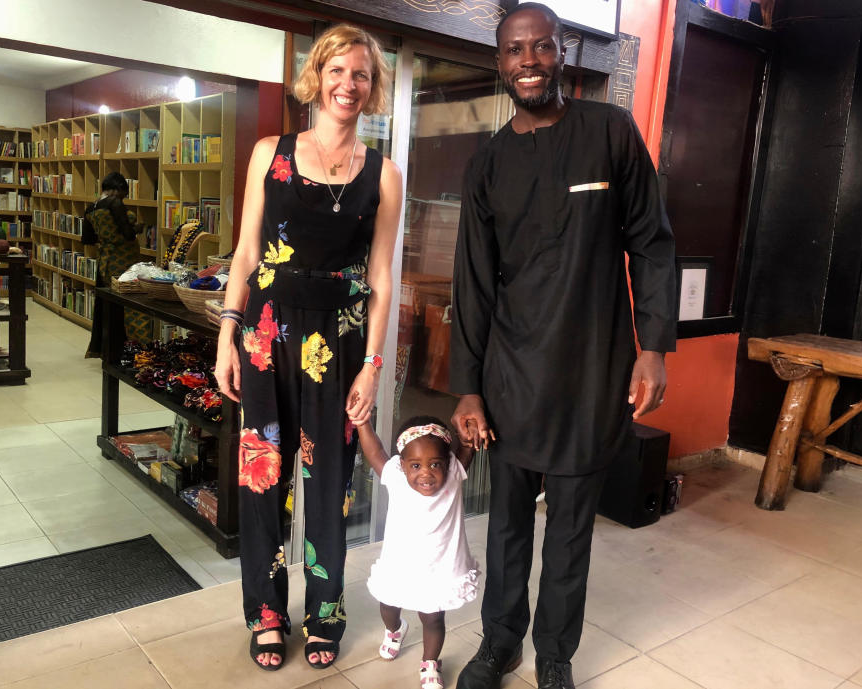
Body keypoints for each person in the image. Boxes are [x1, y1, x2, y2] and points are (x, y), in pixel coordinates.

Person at [449, 4, 677, 689]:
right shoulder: (487, 163)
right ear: (500, 61)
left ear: (562, 51)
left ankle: (555, 654)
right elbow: (473, 283)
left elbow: (654, 242)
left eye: (541, 47)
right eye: (515, 50)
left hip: (591, 370)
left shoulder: (609, 132)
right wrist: (467, 385)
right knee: (509, 526)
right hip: (511, 374)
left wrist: (655, 344)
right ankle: (500, 643)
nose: (529, 61)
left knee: (572, 530)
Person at [214, 24, 403, 672]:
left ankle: (326, 614)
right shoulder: (271, 152)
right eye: (338, 69)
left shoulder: (384, 174)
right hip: (265, 336)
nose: (348, 83)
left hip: (341, 343)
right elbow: (244, 252)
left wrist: (375, 365)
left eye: (362, 74)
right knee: (263, 478)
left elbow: (380, 277)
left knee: (329, 489)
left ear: (372, 87)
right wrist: (227, 336)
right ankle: (266, 613)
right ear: (317, 76)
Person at [356, 415, 479, 689]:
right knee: (388, 605)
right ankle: (395, 629)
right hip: (400, 564)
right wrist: (362, 423)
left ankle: (431, 662)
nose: (426, 473)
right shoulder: (396, 478)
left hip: (441, 567)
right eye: (415, 465)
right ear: (402, 466)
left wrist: (469, 430)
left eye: (435, 464)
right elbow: (374, 451)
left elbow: (467, 446)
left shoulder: (453, 475)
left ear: (448, 463)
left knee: (432, 616)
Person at [82, 171, 150, 356]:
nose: (124, 197)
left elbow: (88, 238)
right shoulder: (115, 203)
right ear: (117, 189)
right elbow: (127, 234)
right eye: (124, 192)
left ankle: (102, 347)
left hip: (104, 260)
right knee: (125, 304)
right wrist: (138, 227)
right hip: (123, 260)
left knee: (106, 303)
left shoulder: (90, 207)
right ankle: (124, 347)